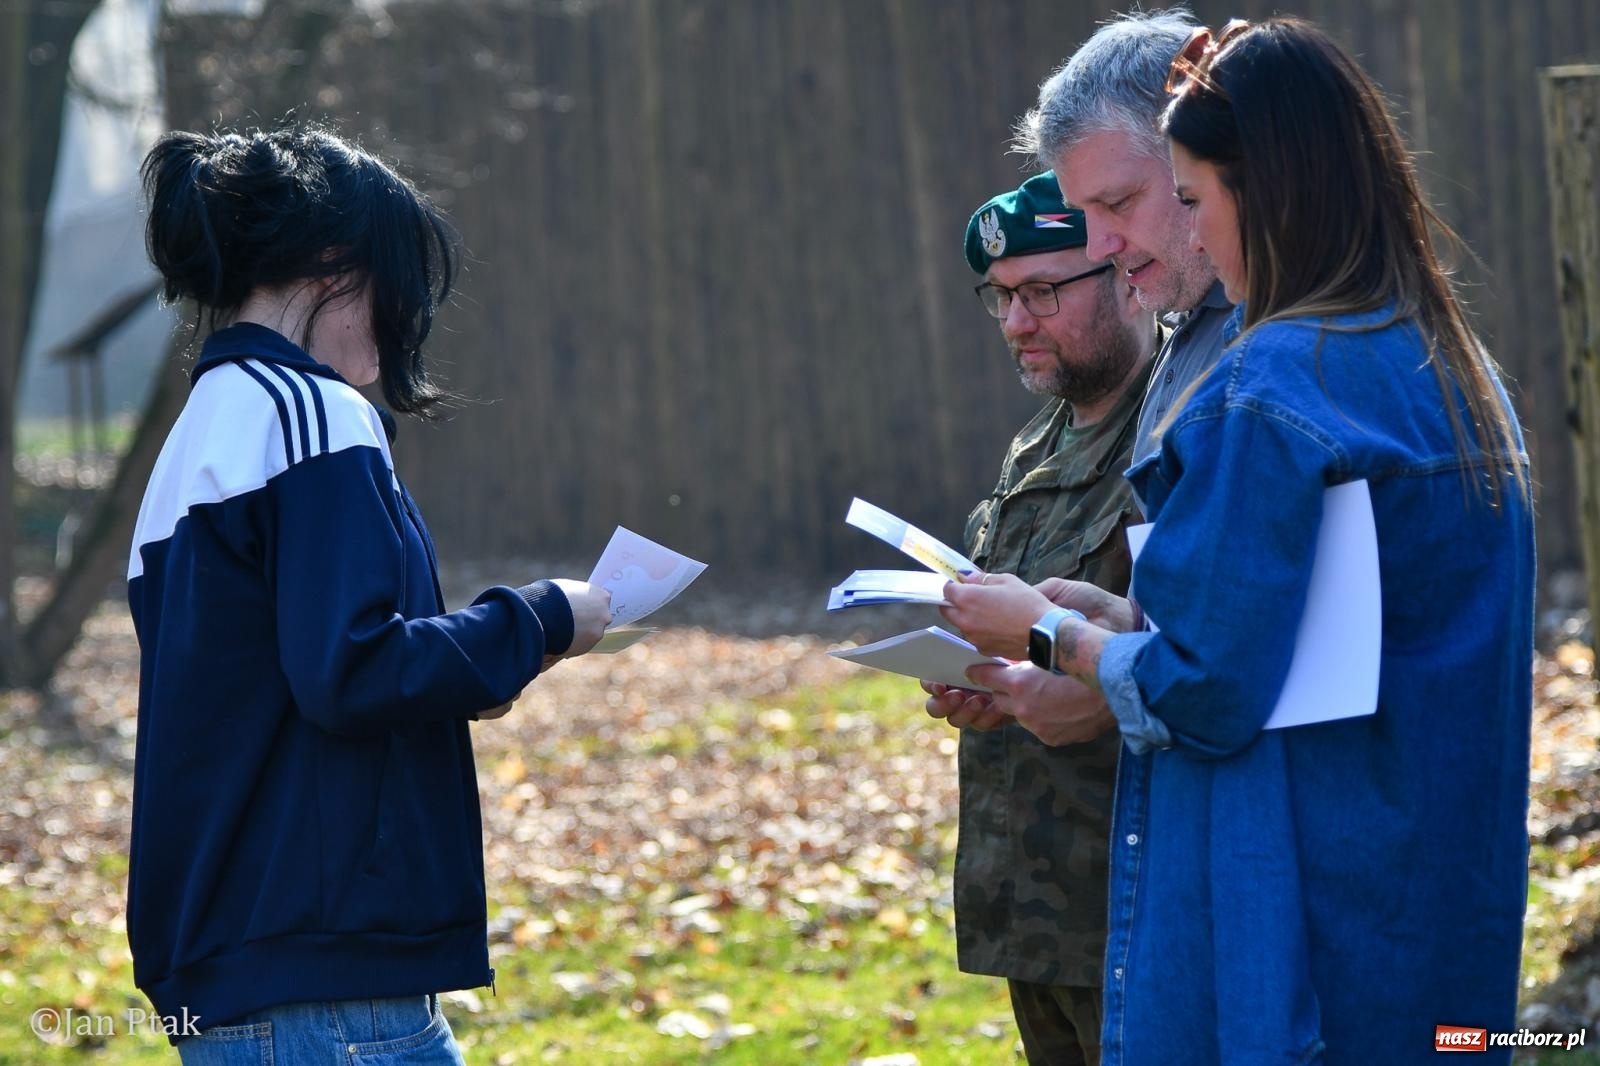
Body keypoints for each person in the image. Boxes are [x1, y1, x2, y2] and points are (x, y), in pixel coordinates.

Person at [941, 17, 1533, 1065]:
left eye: (1170, 198)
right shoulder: (1446, 362)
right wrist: (1131, 619)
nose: (1107, 243)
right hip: (1432, 932)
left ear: (1260, 187)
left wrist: (1054, 636)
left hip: (1292, 934)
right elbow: (1316, 635)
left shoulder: (1268, 381)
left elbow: (1207, 690)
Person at [127, 123, 612, 1064]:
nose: (406, 321)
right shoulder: (313, 412)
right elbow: (351, 669)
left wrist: (471, 671)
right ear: (335, 269)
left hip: (230, 969)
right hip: (329, 981)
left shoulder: (194, 440)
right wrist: (542, 616)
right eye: (401, 284)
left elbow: (280, 685)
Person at [922, 171, 1158, 1065]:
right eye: (1001, 297)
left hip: (1135, 904)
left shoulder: (1179, 429)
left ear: (1125, 273)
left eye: (1043, 292)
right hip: (1035, 904)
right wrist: (981, 681)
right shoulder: (1041, 437)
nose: (1017, 322)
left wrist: (1086, 684)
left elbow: (1209, 661)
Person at [1013, 9, 1229, 469]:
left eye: (1118, 202)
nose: (1098, 247)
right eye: (1082, 213)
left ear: (1201, 161)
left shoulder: (1288, 328)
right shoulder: (1194, 323)